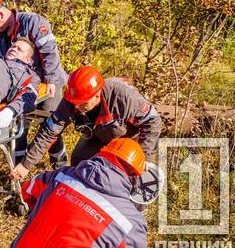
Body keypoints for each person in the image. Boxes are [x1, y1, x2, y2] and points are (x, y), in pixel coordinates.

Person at [9, 138, 152, 248]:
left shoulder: (60, 175)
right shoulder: (130, 222)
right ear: (134, 176)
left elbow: (28, 191)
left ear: (102, 155)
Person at [10, 66, 162, 181]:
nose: (76, 107)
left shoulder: (123, 97)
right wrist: (26, 165)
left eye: (82, 103)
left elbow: (152, 121)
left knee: (129, 174)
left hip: (128, 139)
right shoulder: (71, 101)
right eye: (74, 103)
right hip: (96, 135)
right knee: (79, 161)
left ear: (97, 95)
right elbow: (49, 132)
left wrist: (144, 155)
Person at [0, 0, 68, 165]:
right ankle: (19, 169)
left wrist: (51, 80)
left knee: (49, 125)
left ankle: (60, 166)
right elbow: (0, 61)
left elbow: (50, 52)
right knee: (17, 125)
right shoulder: (2, 36)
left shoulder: (32, 22)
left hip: (47, 82)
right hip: (23, 85)